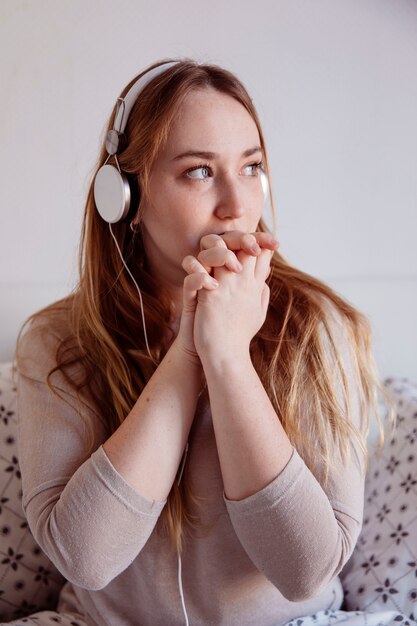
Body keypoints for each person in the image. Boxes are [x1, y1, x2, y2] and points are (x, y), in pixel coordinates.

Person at [11, 58, 389, 626]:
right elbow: (86, 559)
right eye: (199, 172)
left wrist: (229, 358)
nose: (238, 205)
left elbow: (306, 570)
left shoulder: (317, 327)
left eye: (253, 166)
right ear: (126, 197)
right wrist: (192, 346)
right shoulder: (57, 341)